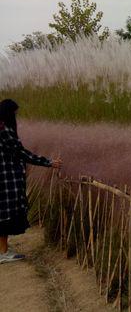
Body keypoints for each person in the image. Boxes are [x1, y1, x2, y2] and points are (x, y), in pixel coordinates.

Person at [0, 99, 61, 264]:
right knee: (4, 216)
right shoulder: (4, 131)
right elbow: (22, 153)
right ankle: (3, 253)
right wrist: (48, 162)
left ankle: (2, 250)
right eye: (14, 113)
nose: (16, 116)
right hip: (6, 181)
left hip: (5, 178)